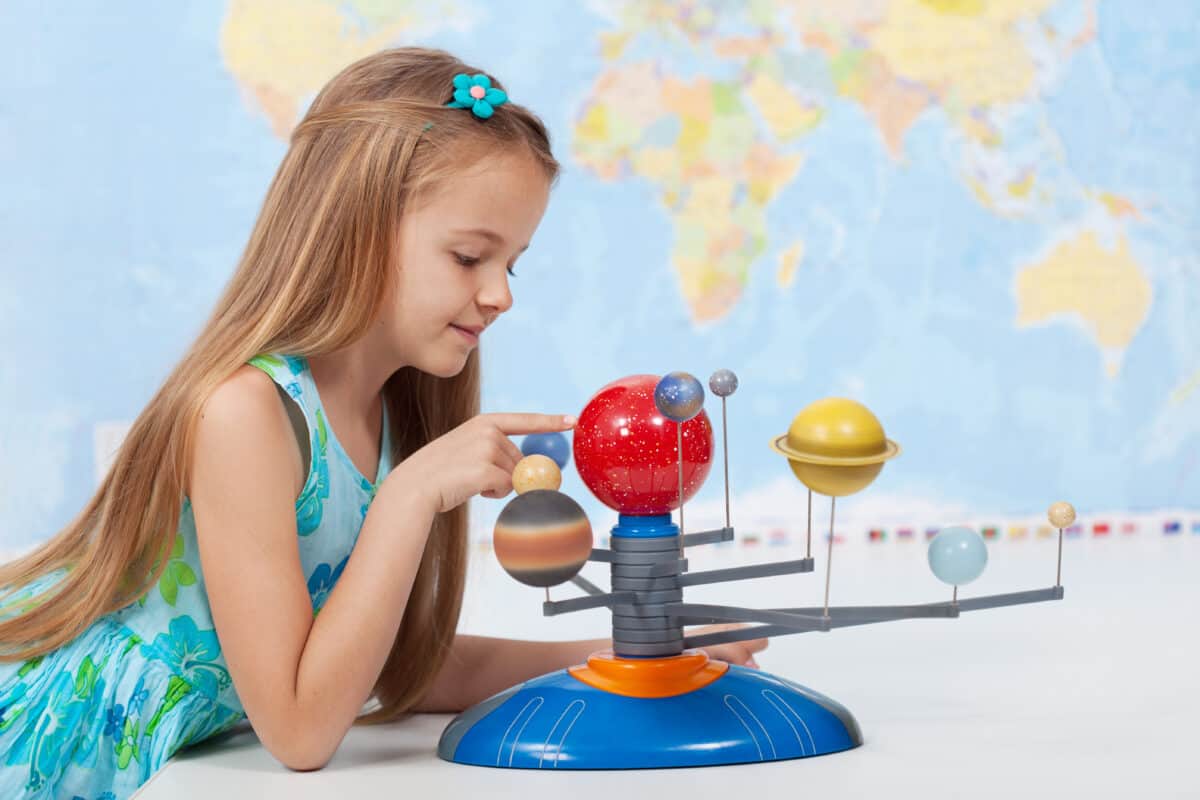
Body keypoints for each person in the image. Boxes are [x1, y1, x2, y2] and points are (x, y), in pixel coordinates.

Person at [0, 47, 766, 799]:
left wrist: (627, 655)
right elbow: (301, 732)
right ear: (353, 230)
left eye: (513, 263)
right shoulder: (246, 415)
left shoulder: (391, 418)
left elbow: (393, 668)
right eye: (470, 257)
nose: (501, 295)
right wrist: (408, 495)